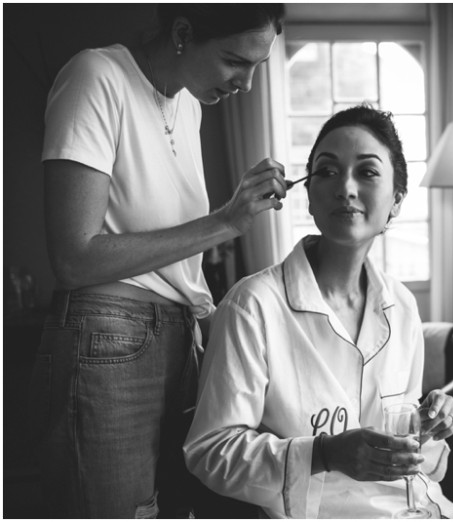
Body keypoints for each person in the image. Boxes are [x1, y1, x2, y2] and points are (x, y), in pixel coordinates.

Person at [28, 4, 287, 518]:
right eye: (237, 61)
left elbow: (177, 267)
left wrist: (226, 331)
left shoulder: (187, 105)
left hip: (179, 342)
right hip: (109, 344)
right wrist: (226, 221)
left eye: (258, 67)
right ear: (183, 33)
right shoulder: (96, 77)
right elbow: (73, 258)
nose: (247, 84)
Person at [183, 105, 453, 518]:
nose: (345, 188)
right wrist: (324, 454)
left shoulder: (402, 306)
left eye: (367, 172)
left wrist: (429, 421)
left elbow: (402, 440)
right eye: (328, 171)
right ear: (309, 196)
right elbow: (211, 452)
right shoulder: (253, 306)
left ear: (396, 202)